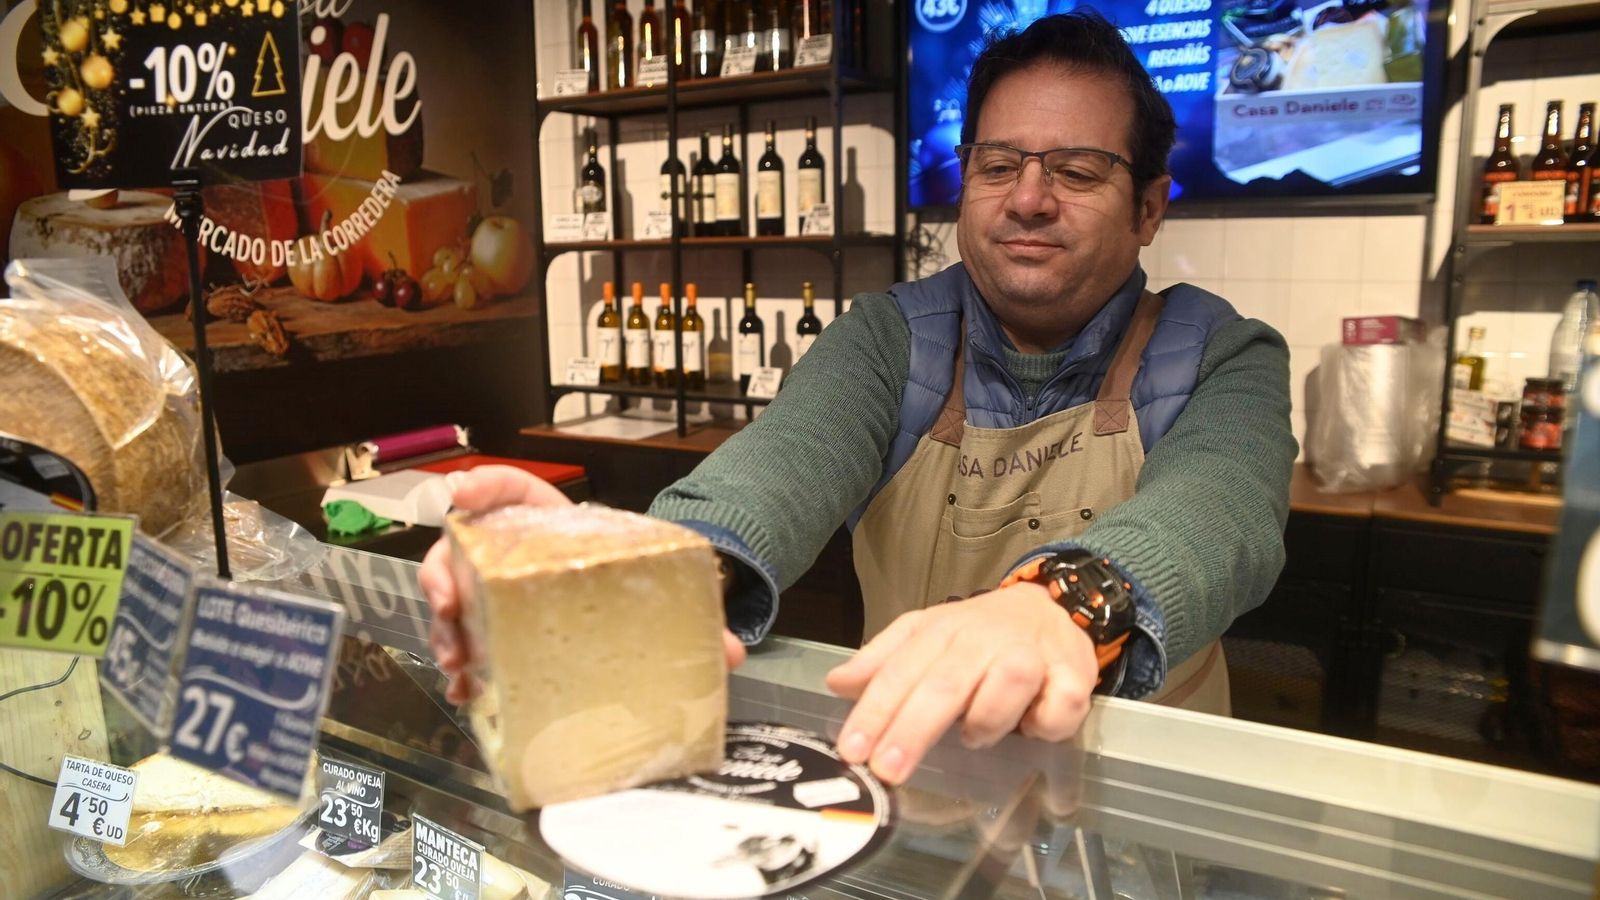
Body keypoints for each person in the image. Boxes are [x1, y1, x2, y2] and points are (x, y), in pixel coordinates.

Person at [421, 11, 1295, 789]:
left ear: (1148, 206)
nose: (1028, 200)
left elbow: (1222, 510)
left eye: (1075, 171)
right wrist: (643, 569)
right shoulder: (889, 339)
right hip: (921, 781)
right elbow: (778, 468)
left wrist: (1061, 605)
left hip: (1140, 802)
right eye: (998, 166)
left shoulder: (1224, 353)